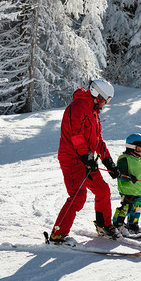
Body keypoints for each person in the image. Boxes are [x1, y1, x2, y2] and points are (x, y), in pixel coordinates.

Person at [50, 79, 121, 242]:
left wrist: (108, 162)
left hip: (85, 159)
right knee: (78, 196)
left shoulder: (93, 112)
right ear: (99, 96)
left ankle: (103, 225)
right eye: (107, 100)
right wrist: (88, 158)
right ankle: (57, 233)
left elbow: (98, 141)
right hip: (72, 159)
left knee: (102, 190)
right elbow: (76, 136)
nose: (106, 104)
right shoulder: (77, 108)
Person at [112, 133, 141, 235]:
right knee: (126, 208)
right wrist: (128, 177)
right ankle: (117, 225)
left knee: (138, 209)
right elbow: (120, 174)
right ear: (131, 147)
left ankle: (132, 225)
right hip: (127, 190)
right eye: (140, 148)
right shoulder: (124, 159)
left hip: (138, 190)